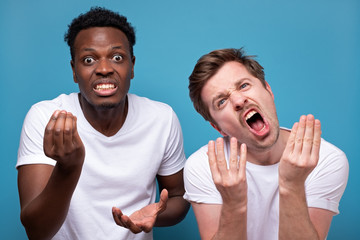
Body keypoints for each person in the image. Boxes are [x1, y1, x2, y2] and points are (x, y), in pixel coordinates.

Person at [17, 7, 189, 240]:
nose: (104, 69)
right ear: (74, 71)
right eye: (89, 60)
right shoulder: (47, 117)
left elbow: (179, 196)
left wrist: (154, 214)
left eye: (117, 57)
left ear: (132, 66)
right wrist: (68, 167)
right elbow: (37, 231)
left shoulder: (161, 118)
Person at [184, 48, 348, 240]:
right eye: (221, 101)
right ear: (219, 128)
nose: (238, 100)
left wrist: (292, 185)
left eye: (244, 85)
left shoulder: (325, 159)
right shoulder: (203, 167)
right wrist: (234, 204)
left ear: (268, 91)